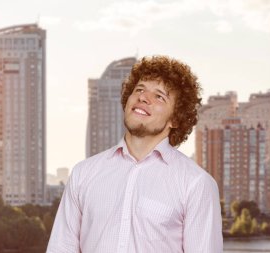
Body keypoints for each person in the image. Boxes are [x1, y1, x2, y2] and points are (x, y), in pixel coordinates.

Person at [47, 55, 223, 253]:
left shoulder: (196, 184)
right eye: (139, 89)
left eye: (159, 96)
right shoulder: (83, 174)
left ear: (175, 118)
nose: (143, 97)